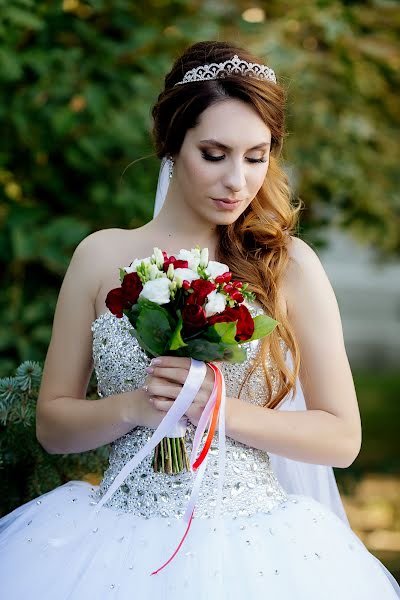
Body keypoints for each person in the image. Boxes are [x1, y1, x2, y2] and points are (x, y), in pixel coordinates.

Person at [0, 40, 399, 599]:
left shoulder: (287, 267)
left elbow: (341, 438)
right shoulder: (99, 256)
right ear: (170, 143)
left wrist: (216, 410)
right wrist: (135, 407)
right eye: (214, 154)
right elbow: (54, 426)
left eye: (256, 156)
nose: (237, 180)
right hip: (114, 542)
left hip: (259, 552)